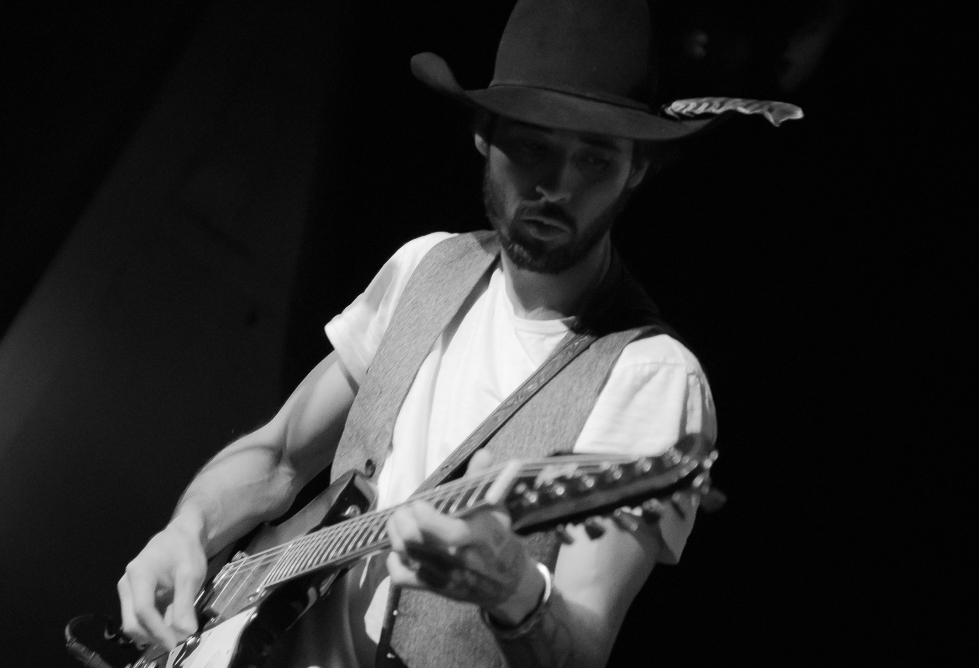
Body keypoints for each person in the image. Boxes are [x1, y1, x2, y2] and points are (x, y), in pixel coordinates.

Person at [117, 1, 797, 666]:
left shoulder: (653, 377)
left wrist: (514, 592)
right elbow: (277, 460)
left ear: (637, 170)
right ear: (483, 133)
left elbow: (581, 647)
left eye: (595, 160)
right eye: (533, 147)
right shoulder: (426, 265)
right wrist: (187, 529)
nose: (557, 187)